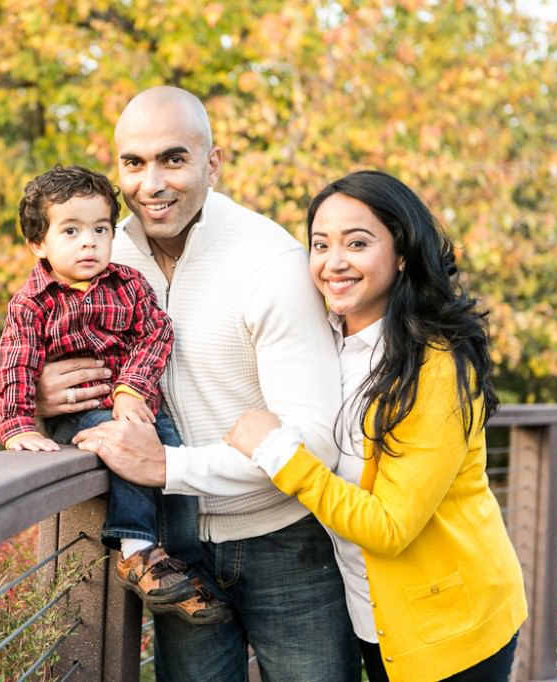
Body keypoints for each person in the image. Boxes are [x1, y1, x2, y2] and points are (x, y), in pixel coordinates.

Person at [51, 87, 357, 680]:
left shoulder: (269, 260)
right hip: (177, 552)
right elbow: (28, 329)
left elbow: (315, 441)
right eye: (133, 164)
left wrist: (168, 467)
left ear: (211, 163)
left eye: (173, 159)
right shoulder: (99, 250)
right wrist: (34, 393)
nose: (151, 184)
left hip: (287, 540)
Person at [221, 170, 527, 681]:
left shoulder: (435, 366)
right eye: (320, 244)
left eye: (357, 243)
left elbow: (389, 527)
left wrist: (277, 454)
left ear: (401, 253)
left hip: (452, 627)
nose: (333, 262)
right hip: (374, 619)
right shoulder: (321, 341)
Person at [0, 164, 231, 625]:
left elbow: (157, 334)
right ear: (38, 244)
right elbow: (15, 362)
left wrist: (131, 389)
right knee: (121, 444)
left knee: (171, 450)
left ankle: (177, 558)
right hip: (82, 415)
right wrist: (18, 424)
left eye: (100, 228)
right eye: (71, 230)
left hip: (133, 403)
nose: (89, 241)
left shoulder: (127, 285)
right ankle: (135, 547)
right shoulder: (32, 303)